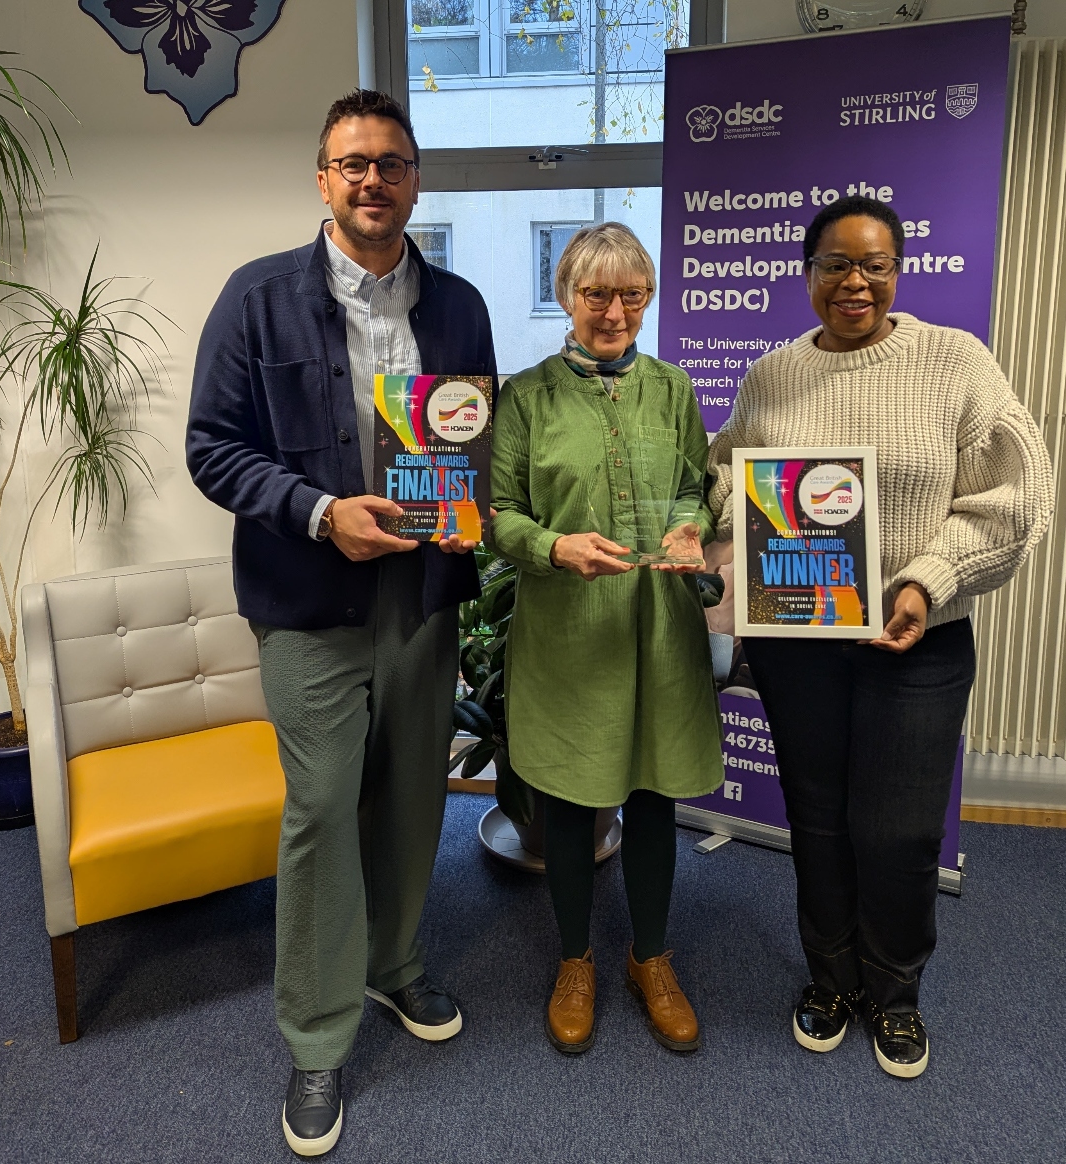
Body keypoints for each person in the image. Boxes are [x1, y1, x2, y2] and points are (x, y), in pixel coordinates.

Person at [187, 89, 496, 1156]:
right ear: (323, 179)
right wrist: (322, 513)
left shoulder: (458, 306)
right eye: (353, 162)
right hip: (308, 602)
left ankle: (392, 965)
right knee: (321, 808)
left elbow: (469, 442)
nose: (374, 179)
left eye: (393, 163)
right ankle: (316, 1039)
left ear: (416, 180)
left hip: (421, 599)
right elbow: (212, 449)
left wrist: (471, 515)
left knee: (413, 798)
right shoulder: (255, 299)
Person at [707, 196, 1053, 1079]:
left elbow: (1016, 495)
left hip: (917, 642)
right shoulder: (772, 374)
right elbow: (725, 472)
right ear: (808, 272)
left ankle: (893, 992)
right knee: (817, 820)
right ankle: (829, 980)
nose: (852, 282)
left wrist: (924, 579)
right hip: (798, 641)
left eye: (872, 265)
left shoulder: (954, 363)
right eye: (833, 264)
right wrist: (714, 522)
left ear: (898, 271)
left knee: (898, 833)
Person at [489, 222, 723, 1056]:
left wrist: (694, 526)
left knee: (656, 791)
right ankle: (575, 960)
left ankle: (649, 958)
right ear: (566, 298)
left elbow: (699, 488)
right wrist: (553, 546)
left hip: (660, 629)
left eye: (630, 294)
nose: (613, 311)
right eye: (596, 294)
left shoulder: (674, 389)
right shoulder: (524, 395)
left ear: (648, 298)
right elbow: (498, 514)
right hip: (566, 630)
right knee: (572, 795)